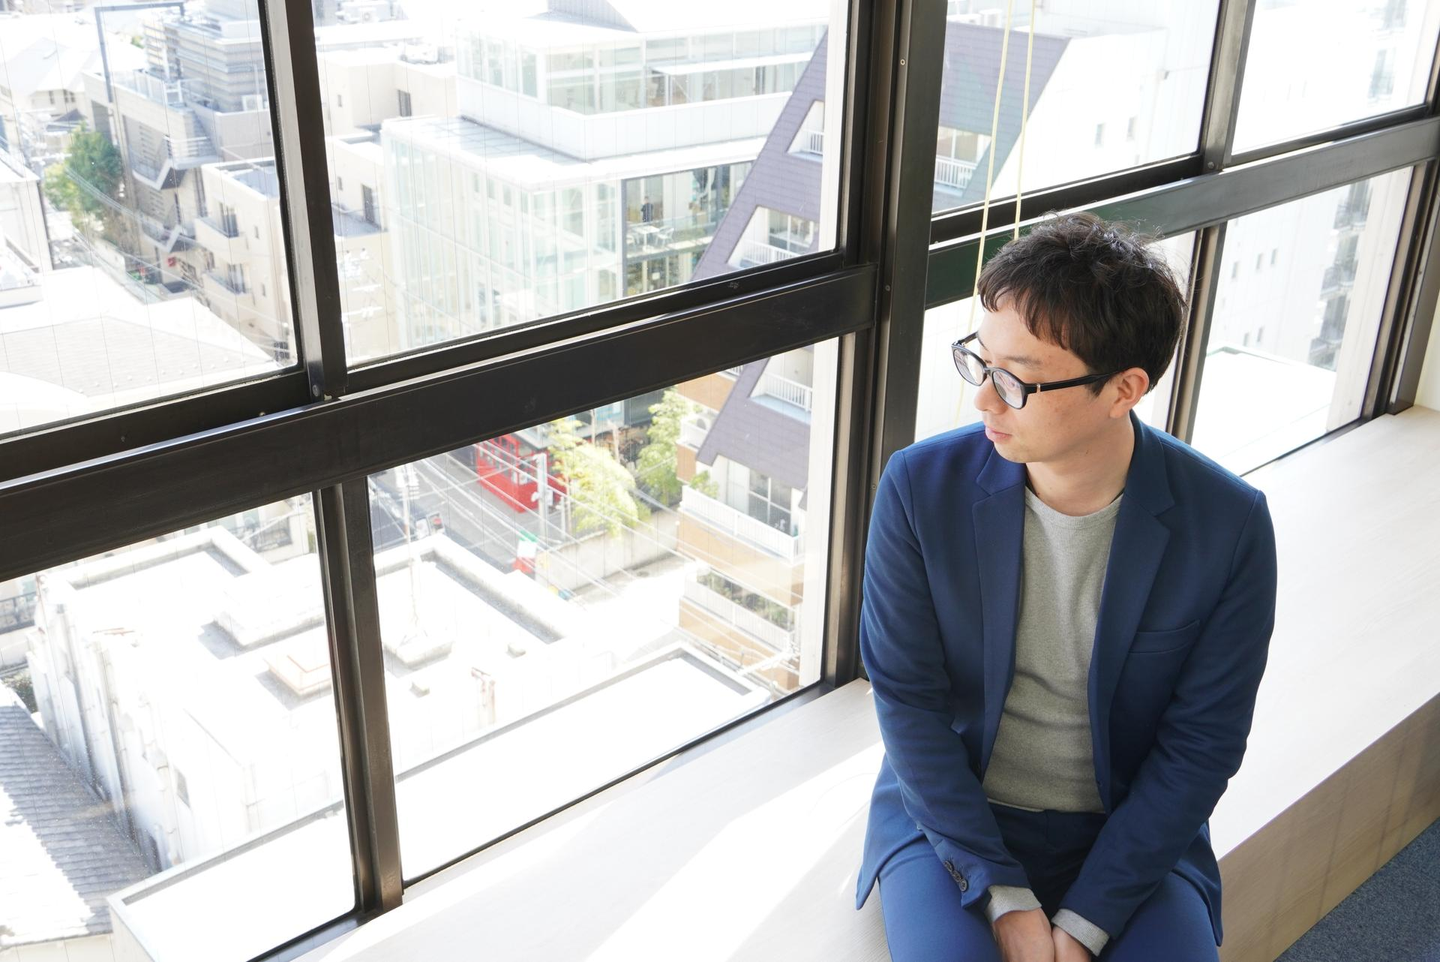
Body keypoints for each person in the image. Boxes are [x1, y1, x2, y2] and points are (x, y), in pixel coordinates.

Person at [854, 212, 1278, 962]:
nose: (985, 401)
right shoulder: (919, 487)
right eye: (981, 362)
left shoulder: (1229, 525)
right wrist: (1002, 895)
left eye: (1016, 379)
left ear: (1123, 389)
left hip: (1127, 829)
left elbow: (1201, 745)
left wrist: (1086, 921)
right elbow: (908, 702)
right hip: (953, 820)